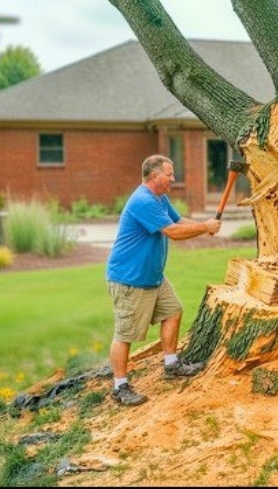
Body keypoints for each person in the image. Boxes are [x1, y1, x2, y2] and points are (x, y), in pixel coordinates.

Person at [106, 154, 222, 406]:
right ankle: (120, 387)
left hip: (153, 276)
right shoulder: (143, 201)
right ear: (154, 176)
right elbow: (172, 232)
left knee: (173, 311)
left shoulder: (160, 199)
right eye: (169, 174)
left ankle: (171, 365)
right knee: (125, 334)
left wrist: (206, 226)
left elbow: (178, 221)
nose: (173, 178)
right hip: (130, 279)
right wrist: (205, 227)